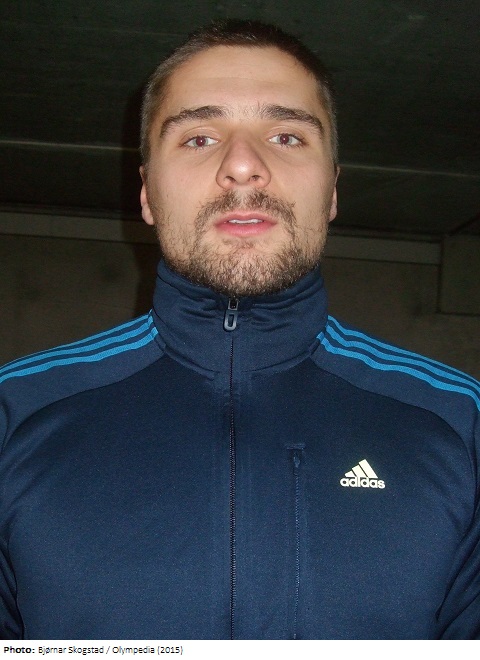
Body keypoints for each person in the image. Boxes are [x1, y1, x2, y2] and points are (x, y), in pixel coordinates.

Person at [0, 19, 479, 641]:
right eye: (199, 138)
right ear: (146, 194)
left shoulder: (459, 422)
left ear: (333, 190)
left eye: (286, 135)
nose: (244, 166)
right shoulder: (16, 414)